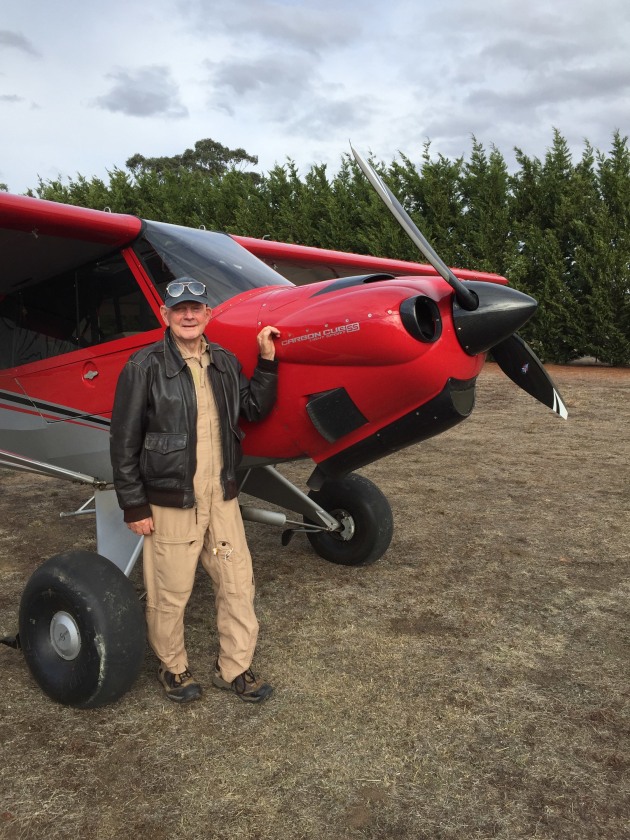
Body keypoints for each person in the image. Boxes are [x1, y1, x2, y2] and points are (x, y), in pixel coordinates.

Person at [110, 277, 280, 704]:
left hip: (221, 495)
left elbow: (253, 407)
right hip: (171, 500)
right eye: (179, 308)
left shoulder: (224, 362)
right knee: (171, 590)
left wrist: (267, 361)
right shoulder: (143, 366)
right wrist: (134, 505)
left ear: (208, 314)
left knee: (237, 583)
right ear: (165, 315)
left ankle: (235, 667)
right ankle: (173, 667)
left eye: (196, 308)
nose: (188, 315)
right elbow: (124, 442)